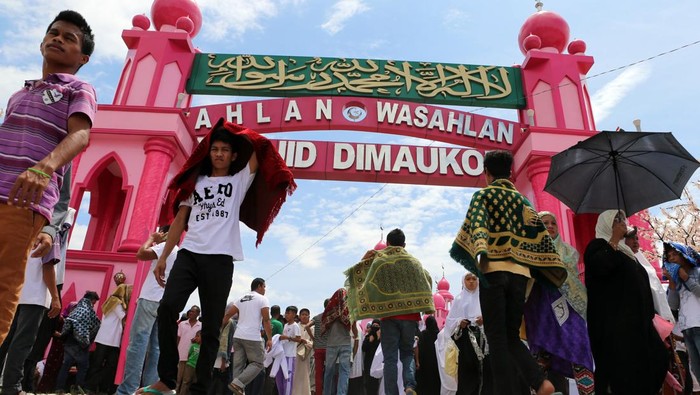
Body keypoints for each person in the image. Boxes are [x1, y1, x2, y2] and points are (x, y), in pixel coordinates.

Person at [141, 119, 295, 395]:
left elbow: (261, 149)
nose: (219, 154)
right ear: (208, 153)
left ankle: (200, 389)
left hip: (220, 260)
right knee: (166, 309)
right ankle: (166, 379)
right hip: (189, 255)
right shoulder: (195, 182)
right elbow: (179, 221)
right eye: (214, 149)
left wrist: (238, 130)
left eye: (225, 149)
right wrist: (164, 256)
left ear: (233, 155)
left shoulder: (238, 180)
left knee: (212, 327)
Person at [0, 9, 96, 347]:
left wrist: (45, 167)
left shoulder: (79, 88)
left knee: (4, 284)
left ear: (82, 57)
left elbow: (81, 135)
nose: (57, 38)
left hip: (22, 199)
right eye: (54, 33)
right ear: (42, 41)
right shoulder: (18, 94)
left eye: (69, 38)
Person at [449, 150, 566, 395]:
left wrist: (481, 248)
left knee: (496, 338)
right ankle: (539, 381)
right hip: (520, 276)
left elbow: (477, 225)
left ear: (487, 174)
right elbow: (539, 234)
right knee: (511, 335)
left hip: (493, 272)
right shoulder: (522, 201)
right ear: (511, 173)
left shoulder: (483, 195)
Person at [583, 209, 667, 394]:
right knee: (625, 378)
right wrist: (613, 238)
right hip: (616, 329)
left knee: (657, 362)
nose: (621, 223)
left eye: (622, 219)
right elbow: (601, 266)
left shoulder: (626, 252)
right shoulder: (598, 246)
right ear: (606, 224)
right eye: (616, 220)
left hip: (640, 326)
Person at [345, 228, 435, 395]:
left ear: (387, 244)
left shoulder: (380, 261)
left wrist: (365, 259)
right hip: (410, 317)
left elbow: (360, 277)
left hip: (388, 317)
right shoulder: (414, 262)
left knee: (390, 358)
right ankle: (409, 386)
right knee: (407, 353)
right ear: (404, 244)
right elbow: (427, 279)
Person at [523, 211, 595, 395]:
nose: (550, 226)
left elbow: (565, 274)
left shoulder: (569, 252)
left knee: (579, 349)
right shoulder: (528, 251)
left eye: (553, 223)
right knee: (542, 356)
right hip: (540, 311)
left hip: (568, 308)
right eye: (545, 223)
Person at [116, 227, 179, 395]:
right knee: (156, 348)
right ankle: (150, 389)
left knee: (137, 344)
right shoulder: (178, 252)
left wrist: (151, 238)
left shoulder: (165, 247)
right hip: (164, 303)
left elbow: (141, 254)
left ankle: (127, 390)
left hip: (150, 298)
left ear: (166, 234)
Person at [0, 246, 61, 395]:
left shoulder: (29, 232)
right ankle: (11, 386)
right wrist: (55, 297)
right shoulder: (52, 236)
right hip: (35, 297)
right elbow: (47, 267)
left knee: (6, 339)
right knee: (23, 342)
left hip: (17, 293)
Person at [437, 271, 489, 395]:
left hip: (484, 339)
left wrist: (484, 319)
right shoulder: (459, 299)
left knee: (485, 370)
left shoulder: (484, 298)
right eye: (468, 279)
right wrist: (460, 322)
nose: (471, 281)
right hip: (465, 341)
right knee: (467, 371)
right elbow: (450, 322)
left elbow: (493, 317)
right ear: (463, 282)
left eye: (474, 278)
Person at [224, 278, 273, 395]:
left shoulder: (241, 298)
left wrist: (221, 328)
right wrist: (270, 339)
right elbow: (266, 320)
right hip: (252, 337)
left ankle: (237, 391)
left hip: (238, 336)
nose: (265, 289)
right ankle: (238, 384)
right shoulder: (262, 299)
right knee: (258, 363)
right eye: (264, 287)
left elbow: (228, 314)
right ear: (260, 286)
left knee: (238, 367)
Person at [85, 283, 132, 394]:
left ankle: (96, 387)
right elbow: (124, 317)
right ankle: (90, 387)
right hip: (108, 339)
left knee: (108, 365)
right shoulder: (116, 302)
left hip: (110, 339)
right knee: (101, 364)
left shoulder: (114, 301)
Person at [665, 242, 700, 383]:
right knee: (696, 369)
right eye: (669, 256)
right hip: (687, 329)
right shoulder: (676, 279)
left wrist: (686, 278)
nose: (672, 258)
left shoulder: (697, 271)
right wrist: (672, 283)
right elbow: (673, 305)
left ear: (684, 254)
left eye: (675, 254)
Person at [625, 227, 675, 322]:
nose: (635, 241)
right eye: (630, 238)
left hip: (655, 317)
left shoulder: (643, 263)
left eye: (636, 238)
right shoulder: (622, 264)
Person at [55, 290, 101, 394]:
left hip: (69, 342)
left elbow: (67, 323)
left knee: (65, 365)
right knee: (83, 366)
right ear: (92, 300)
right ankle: (77, 389)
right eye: (94, 303)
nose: (93, 305)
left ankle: (59, 388)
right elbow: (97, 324)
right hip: (81, 344)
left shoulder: (75, 309)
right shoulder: (89, 311)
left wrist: (64, 335)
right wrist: (87, 339)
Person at [321, 288, 358, 395]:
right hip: (346, 344)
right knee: (344, 372)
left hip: (332, 344)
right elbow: (354, 327)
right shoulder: (349, 310)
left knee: (329, 372)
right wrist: (355, 336)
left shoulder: (329, 311)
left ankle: (326, 393)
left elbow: (324, 325)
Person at [175, 306, 203, 393]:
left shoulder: (201, 326)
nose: (191, 313)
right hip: (181, 354)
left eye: (193, 312)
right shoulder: (182, 324)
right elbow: (178, 338)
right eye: (190, 311)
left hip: (192, 358)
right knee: (177, 379)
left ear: (198, 314)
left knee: (186, 381)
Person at [277, 306, 301, 395]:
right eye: (286, 313)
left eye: (289, 313)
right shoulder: (286, 325)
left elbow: (299, 339)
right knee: (279, 378)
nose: (286, 315)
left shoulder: (295, 326)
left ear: (294, 314)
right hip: (282, 354)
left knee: (288, 379)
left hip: (290, 355)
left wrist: (288, 337)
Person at [309, 299, 330, 395]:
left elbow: (307, 326)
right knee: (329, 373)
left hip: (317, 348)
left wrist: (313, 338)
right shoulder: (331, 318)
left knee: (318, 374)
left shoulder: (317, 317)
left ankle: (318, 393)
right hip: (329, 348)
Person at [415, 316, 440, 395]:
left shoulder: (423, 334)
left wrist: (418, 361)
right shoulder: (439, 335)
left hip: (425, 363)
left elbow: (419, 348)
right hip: (436, 363)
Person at [292, 308, 314, 395]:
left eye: (306, 315)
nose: (304, 316)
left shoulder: (312, 328)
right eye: (302, 314)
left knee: (305, 376)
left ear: (309, 316)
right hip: (295, 354)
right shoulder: (295, 326)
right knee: (295, 375)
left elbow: (314, 342)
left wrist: (306, 342)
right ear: (299, 316)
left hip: (307, 355)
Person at [361, 319, 381, 395]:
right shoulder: (368, 336)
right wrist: (370, 341)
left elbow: (379, 350)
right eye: (374, 326)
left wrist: (378, 339)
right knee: (368, 383)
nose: (375, 327)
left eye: (377, 326)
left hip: (377, 364)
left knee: (376, 384)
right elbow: (364, 348)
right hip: (368, 363)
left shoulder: (381, 338)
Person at [181, 330, 202, 395]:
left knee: (193, 382)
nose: (196, 337)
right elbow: (189, 354)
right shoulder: (193, 346)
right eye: (196, 336)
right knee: (186, 381)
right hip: (190, 365)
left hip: (197, 367)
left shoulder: (203, 348)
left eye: (198, 336)